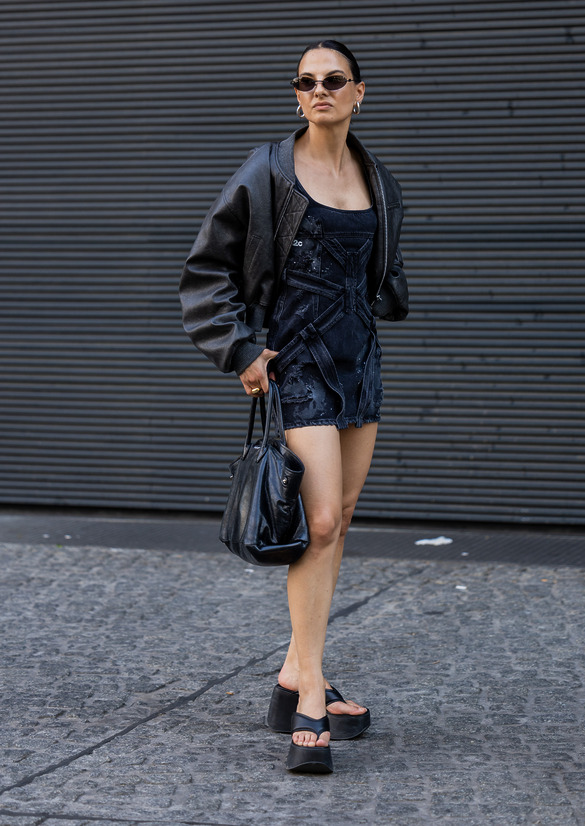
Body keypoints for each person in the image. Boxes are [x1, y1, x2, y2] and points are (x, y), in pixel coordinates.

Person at [180, 39, 408, 774]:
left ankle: (291, 673)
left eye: (333, 80)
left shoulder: (376, 178)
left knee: (342, 516)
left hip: (358, 361)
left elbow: (381, 264)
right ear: (297, 94)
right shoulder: (269, 169)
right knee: (319, 521)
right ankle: (310, 693)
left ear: (359, 92)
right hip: (298, 361)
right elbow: (208, 266)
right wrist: (241, 349)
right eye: (306, 82)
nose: (319, 91)